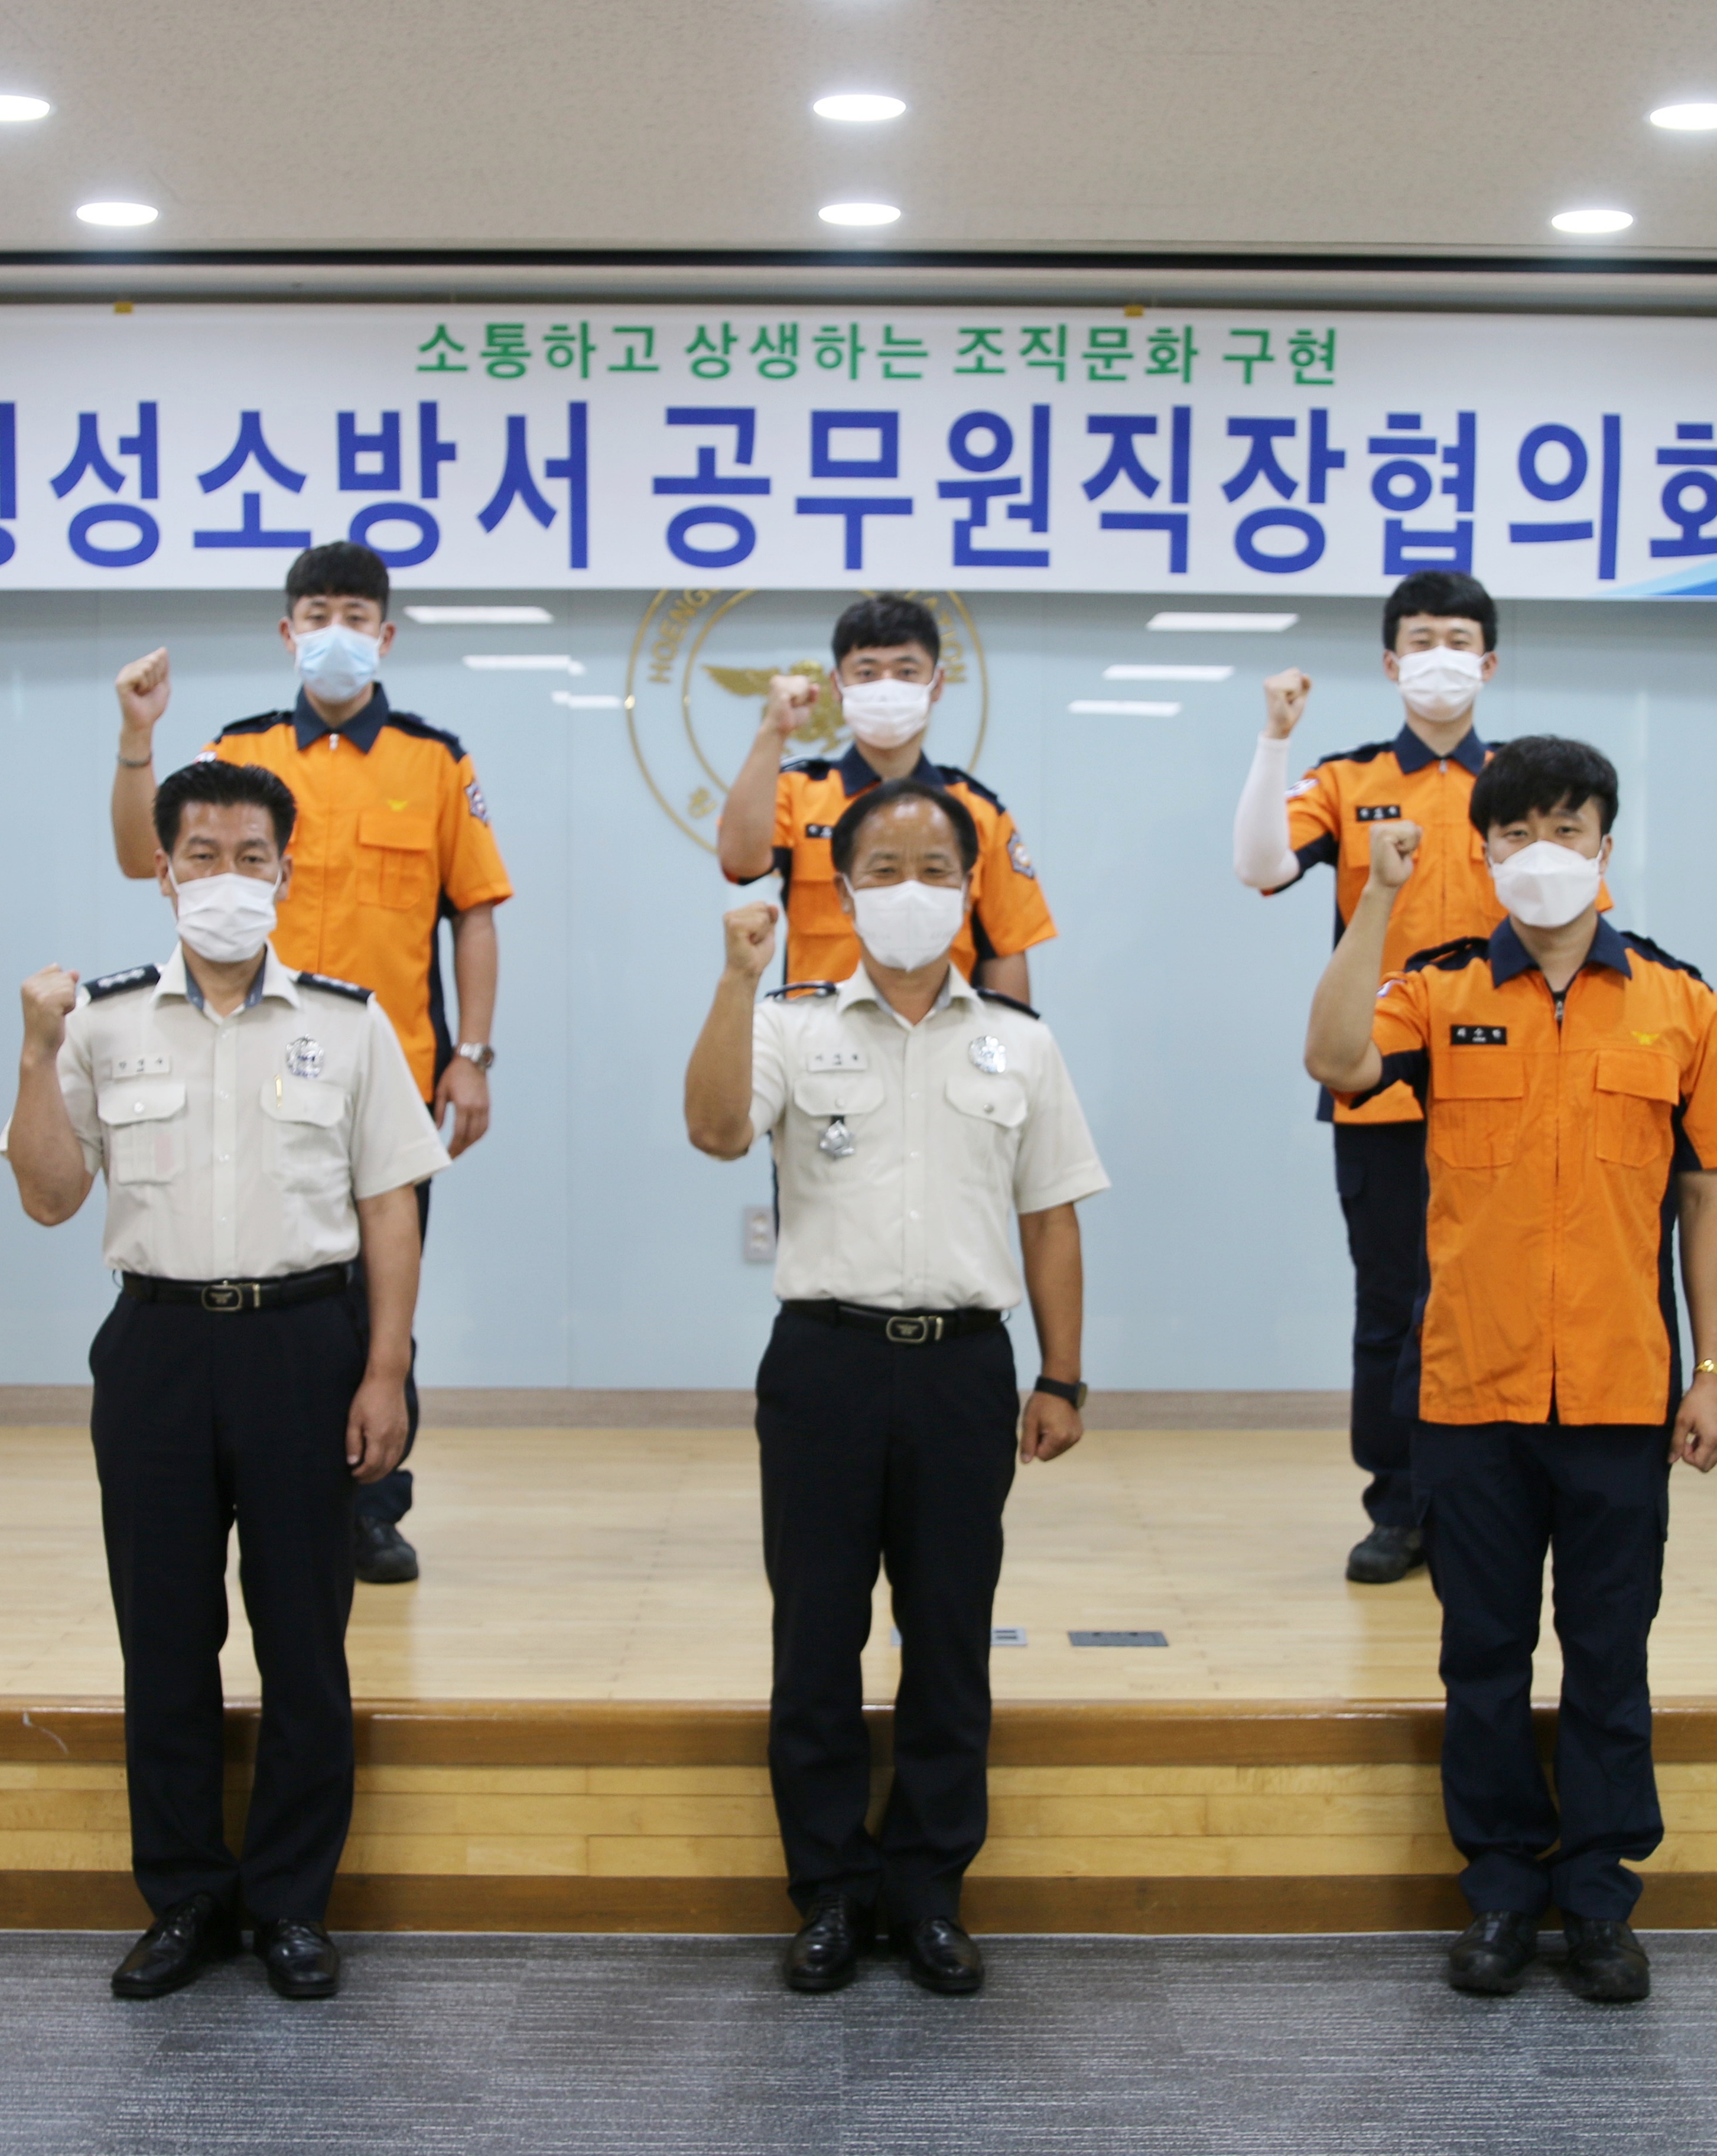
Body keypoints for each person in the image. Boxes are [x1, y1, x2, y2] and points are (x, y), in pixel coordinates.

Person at [1304, 735, 1717, 2006]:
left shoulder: (1678, 998)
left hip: (1620, 1392)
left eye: (1568, 829)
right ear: (1485, 852)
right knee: (1484, 1655)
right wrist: (1379, 897)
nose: (1542, 853)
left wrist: (1713, 1368)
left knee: (1610, 1655)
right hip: (1471, 1392)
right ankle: (1503, 1890)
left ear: (1606, 845)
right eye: (1516, 834)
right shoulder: (1436, 987)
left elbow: (1709, 1192)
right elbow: (1335, 1060)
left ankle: (1600, 1898)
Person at [6, 759, 448, 2004]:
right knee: (164, 1635)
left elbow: (390, 1206)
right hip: (154, 1347)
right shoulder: (99, 1022)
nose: (227, 877)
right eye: (202, 855)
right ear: (164, 872)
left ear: (285, 873)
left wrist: (386, 1369)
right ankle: (187, 1896)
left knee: (305, 1638)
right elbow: (49, 1195)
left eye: (252, 856)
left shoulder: (348, 1024)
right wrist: (35, 1051)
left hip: (305, 1345)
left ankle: (292, 1903)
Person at [683, 776, 1108, 1998]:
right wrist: (733, 982)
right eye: (882, 869)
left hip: (965, 1369)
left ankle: (927, 1891)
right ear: (843, 888)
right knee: (815, 1635)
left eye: (934, 869)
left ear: (970, 890)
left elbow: (1051, 1217)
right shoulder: (788, 1024)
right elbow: (716, 1131)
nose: (908, 890)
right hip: (823, 1363)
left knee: (950, 1635)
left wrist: (1063, 1375)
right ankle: (826, 1889)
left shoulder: (1020, 1042)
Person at [108, 539, 509, 1589]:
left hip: (386, 1077)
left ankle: (370, 1504)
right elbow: (139, 855)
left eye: (356, 615)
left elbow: (473, 914)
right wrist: (138, 740)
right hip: (236, 1068)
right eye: (317, 613)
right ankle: (251, 1482)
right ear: (287, 632)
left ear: (386, 634)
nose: (337, 632)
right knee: (266, 1285)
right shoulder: (239, 753)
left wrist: (472, 1053)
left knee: (380, 1298)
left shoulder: (435, 761)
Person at [1233, 569, 1510, 1585]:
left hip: (1508, 1085)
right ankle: (1397, 1506)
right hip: (1380, 1081)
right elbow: (1261, 865)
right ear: (1392, 662)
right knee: (1393, 1302)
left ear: (1489, 663)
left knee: (1492, 1295)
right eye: (1421, 640)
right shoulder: (1347, 779)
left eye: (1459, 640)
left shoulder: (1520, 782)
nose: (1441, 658)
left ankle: (1483, 1500)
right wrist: (1274, 740)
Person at [714, 593, 1054, 999]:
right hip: (816, 1028)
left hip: (944, 1029)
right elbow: (740, 862)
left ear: (937, 684)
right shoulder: (800, 790)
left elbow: (1006, 950)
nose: (887, 686)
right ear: (837, 685)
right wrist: (775, 729)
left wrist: (1008, 1041)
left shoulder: (979, 811)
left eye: (907, 671)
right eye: (867, 672)